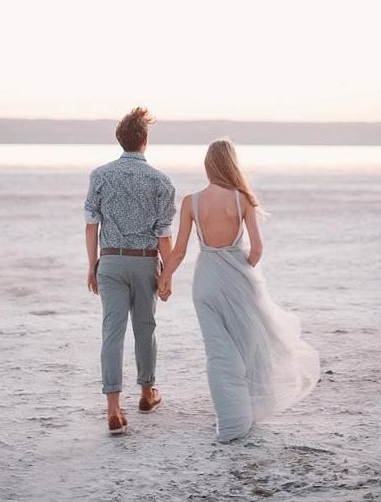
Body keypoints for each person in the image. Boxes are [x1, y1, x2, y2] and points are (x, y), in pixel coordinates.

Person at [157, 138, 320, 442]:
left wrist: (165, 278)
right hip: (238, 280)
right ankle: (246, 415)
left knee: (217, 352)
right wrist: (243, 269)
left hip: (205, 281)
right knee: (248, 347)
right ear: (232, 164)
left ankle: (229, 421)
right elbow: (257, 248)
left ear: (208, 165)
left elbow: (178, 251)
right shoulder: (242, 199)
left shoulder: (191, 201)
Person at [84, 107, 176, 434]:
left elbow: (91, 226)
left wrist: (92, 265)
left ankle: (113, 407)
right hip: (145, 261)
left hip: (109, 260)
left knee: (112, 331)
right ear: (145, 141)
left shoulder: (100, 175)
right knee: (145, 329)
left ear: (119, 139)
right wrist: (167, 276)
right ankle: (147, 393)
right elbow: (164, 235)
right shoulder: (160, 181)